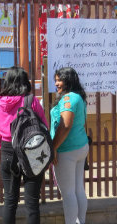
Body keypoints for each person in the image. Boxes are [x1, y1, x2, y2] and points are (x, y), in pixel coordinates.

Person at [0, 66, 48, 224]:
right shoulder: (31, 100)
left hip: (8, 150)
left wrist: (3, 146)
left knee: (10, 201)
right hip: (32, 149)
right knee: (32, 203)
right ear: (25, 82)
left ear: (7, 82)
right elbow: (43, 126)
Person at [50, 67, 89, 224]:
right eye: (56, 80)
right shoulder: (78, 97)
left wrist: (53, 147)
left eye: (60, 80)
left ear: (68, 80)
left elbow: (65, 125)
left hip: (67, 150)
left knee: (68, 193)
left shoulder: (68, 99)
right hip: (80, 147)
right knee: (78, 189)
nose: (56, 83)